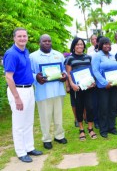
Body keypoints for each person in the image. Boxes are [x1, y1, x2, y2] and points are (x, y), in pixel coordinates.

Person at [4, 28, 42, 163]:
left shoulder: (25, 51)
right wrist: (17, 97)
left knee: (29, 121)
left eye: (24, 36)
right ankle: (21, 152)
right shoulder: (11, 54)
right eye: (19, 36)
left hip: (29, 89)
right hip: (18, 91)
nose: (22, 38)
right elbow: (8, 77)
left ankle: (29, 147)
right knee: (19, 123)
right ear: (14, 38)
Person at [29, 34, 68, 150]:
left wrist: (64, 75)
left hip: (58, 90)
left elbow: (64, 70)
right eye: (44, 41)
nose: (47, 43)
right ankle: (46, 139)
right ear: (39, 43)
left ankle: (59, 135)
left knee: (58, 115)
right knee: (45, 117)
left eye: (49, 41)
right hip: (43, 92)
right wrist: (36, 77)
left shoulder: (58, 55)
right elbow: (29, 73)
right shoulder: (33, 57)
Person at [65, 37, 97, 140]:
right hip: (77, 88)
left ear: (84, 46)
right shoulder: (70, 58)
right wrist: (71, 84)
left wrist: (93, 82)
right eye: (77, 44)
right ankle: (81, 129)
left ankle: (90, 128)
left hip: (89, 87)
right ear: (74, 46)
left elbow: (91, 72)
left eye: (81, 44)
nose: (80, 46)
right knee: (79, 108)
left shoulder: (88, 57)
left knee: (90, 107)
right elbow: (68, 73)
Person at [92, 37, 117, 138]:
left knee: (112, 107)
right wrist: (104, 83)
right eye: (105, 44)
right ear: (100, 45)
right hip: (103, 87)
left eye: (109, 44)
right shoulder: (97, 56)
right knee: (103, 108)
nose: (107, 46)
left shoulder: (112, 56)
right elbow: (95, 71)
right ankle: (103, 129)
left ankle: (112, 127)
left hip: (114, 85)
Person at [87, 34, 100, 129]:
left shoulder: (108, 54)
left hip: (104, 82)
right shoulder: (91, 54)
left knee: (102, 102)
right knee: (95, 102)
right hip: (94, 81)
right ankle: (96, 120)